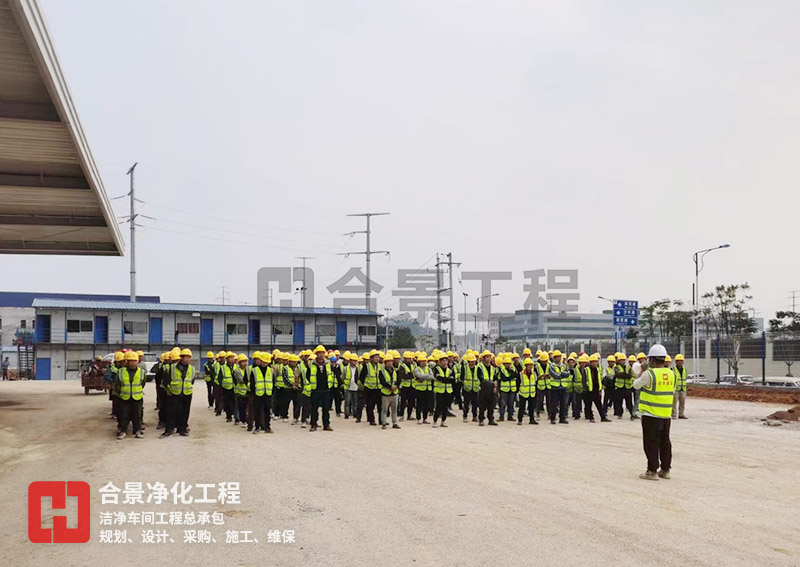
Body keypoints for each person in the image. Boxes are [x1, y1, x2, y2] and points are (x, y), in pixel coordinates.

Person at [634, 344, 676, 480]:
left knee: (651, 443)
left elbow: (635, 385)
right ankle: (665, 470)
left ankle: (652, 471)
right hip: (666, 415)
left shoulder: (649, 374)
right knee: (665, 442)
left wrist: (642, 370)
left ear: (651, 359)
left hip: (650, 414)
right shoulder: (672, 374)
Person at [161, 348, 194, 437]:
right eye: (185, 357)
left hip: (187, 393)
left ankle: (182, 429)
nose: (186, 359)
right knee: (171, 412)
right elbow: (166, 380)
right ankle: (169, 429)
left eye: (188, 357)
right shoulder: (172, 368)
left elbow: (192, 381)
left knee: (185, 412)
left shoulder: (192, 369)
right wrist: (170, 390)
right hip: (174, 394)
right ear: (181, 358)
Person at [115, 351, 144, 439]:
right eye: (131, 361)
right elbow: (117, 384)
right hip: (124, 397)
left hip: (137, 397)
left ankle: (137, 431)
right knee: (124, 415)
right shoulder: (121, 372)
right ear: (127, 362)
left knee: (137, 415)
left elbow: (143, 383)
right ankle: (123, 431)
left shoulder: (141, 372)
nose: (133, 363)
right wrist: (120, 393)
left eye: (134, 361)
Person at [305, 345, 334, 431]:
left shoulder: (328, 364)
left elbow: (331, 374)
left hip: (326, 389)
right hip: (315, 390)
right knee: (314, 408)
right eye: (319, 353)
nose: (321, 355)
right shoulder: (311, 364)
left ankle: (326, 425)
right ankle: (313, 424)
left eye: (322, 353)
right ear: (316, 354)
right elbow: (307, 375)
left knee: (326, 409)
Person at [249, 352, 274, 433]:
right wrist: (254, 393)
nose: (264, 363)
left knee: (267, 411)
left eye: (266, 362)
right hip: (258, 394)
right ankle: (257, 427)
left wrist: (272, 392)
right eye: (263, 361)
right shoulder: (255, 370)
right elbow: (252, 383)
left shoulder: (270, 370)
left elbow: (273, 382)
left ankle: (267, 427)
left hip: (268, 394)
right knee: (257, 411)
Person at [359, 350, 382, 426]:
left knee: (380, 405)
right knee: (370, 405)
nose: (377, 359)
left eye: (378, 357)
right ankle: (371, 420)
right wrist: (366, 384)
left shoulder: (380, 366)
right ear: (371, 358)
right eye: (375, 357)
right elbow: (362, 377)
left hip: (378, 388)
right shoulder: (367, 366)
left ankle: (381, 420)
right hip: (369, 389)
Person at [547, 350, 571, 424]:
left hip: (563, 387)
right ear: (554, 358)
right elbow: (554, 375)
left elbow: (568, 374)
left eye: (559, 357)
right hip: (555, 387)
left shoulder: (564, 365)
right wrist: (562, 374)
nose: (558, 358)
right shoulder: (551, 366)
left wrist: (561, 374)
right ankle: (553, 418)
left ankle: (562, 418)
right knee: (554, 404)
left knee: (563, 404)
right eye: (557, 357)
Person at [378, 353, 402, 429]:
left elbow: (399, 379)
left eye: (391, 361)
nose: (390, 363)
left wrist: (396, 386)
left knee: (394, 409)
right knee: (384, 410)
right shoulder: (381, 371)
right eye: (388, 361)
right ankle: (384, 423)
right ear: (385, 363)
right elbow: (382, 381)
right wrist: (390, 387)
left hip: (394, 393)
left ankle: (394, 423)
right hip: (386, 393)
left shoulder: (396, 370)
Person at [585, 354, 611, 422]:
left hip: (596, 389)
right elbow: (584, 380)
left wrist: (600, 389)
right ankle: (591, 417)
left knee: (599, 404)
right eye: (593, 362)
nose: (594, 363)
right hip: (589, 389)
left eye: (595, 361)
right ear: (590, 362)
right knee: (589, 405)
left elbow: (599, 380)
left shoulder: (598, 369)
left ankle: (603, 417)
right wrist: (586, 388)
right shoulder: (587, 369)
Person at [432, 353, 454, 428]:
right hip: (439, 390)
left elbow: (452, 380)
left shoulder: (449, 370)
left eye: (446, 361)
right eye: (443, 361)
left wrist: (445, 380)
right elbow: (438, 378)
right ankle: (435, 421)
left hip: (447, 390)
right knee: (438, 406)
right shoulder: (437, 369)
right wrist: (447, 380)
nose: (445, 362)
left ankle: (443, 421)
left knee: (445, 407)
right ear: (440, 362)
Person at [476, 351, 498, 426]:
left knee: (491, 405)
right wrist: (491, 383)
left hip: (491, 388)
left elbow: (495, 377)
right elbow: (480, 378)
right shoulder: (480, 367)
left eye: (489, 357)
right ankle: (481, 419)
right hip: (483, 388)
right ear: (483, 358)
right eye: (487, 357)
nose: (488, 359)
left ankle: (491, 419)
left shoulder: (492, 368)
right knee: (482, 405)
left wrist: (495, 385)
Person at [412, 353, 434, 424]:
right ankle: (419, 418)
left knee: (426, 405)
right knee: (419, 405)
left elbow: (432, 377)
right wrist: (427, 376)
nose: (424, 362)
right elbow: (418, 375)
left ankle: (425, 418)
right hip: (419, 389)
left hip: (427, 389)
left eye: (425, 361)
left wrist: (424, 377)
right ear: (419, 362)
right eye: (422, 361)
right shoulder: (417, 369)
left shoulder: (429, 369)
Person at [517, 358, 538, 425]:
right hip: (523, 393)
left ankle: (532, 419)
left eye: (531, 365)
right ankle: (520, 420)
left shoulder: (534, 374)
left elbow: (536, 383)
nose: (530, 366)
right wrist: (518, 391)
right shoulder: (521, 374)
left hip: (532, 393)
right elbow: (518, 383)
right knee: (522, 408)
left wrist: (536, 391)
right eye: (529, 365)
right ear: (525, 366)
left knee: (531, 407)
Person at [497, 355, 517, 422]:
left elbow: (516, 375)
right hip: (504, 389)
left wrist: (511, 371)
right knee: (503, 404)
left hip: (512, 389)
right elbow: (504, 378)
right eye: (506, 364)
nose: (507, 365)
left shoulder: (513, 369)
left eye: (508, 363)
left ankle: (510, 416)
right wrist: (511, 377)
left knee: (511, 404)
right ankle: (501, 416)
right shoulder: (501, 369)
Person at [461, 352, 480, 422]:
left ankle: (474, 416)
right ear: (468, 362)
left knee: (475, 403)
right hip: (467, 389)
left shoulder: (478, 368)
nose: (472, 363)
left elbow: (480, 377)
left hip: (475, 388)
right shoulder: (465, 368)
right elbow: (461, 378)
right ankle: (465, 416)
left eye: (474, 361)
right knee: (466, 403)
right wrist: (465, 384)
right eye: (471, 361)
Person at [397, 352, 416, 421]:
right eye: (408, 358)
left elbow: (415, 374)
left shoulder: (413, 365)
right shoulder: (402, 366)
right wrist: (411, 375)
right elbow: (404, 376)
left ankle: (409, 415)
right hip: (404, 386)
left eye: (410, 358)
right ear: (404, 359)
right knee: (403, 402)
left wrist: (410, 374)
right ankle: (401, 415)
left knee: (411, 402)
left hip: (412, 386)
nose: (409, 360)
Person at [343, 353, 360, 420]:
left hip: (356, 387)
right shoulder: (346, 368)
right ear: (350, 361)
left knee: (355, 402)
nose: (355, 362)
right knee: (347, 402)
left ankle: (355, 413)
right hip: (348, 387)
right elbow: (343, 377)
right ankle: (346, 414)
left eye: (356, 360)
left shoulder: (358, 368)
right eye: (353, 360)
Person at [672, 354, 688, 419]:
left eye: (681, 361)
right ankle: (674, 414)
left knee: (682, 403)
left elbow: (685, 377)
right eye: (678, 361)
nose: (680, 362)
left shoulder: (684, 369)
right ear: (676, 362)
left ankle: (681, 414)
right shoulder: (673, 369)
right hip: (676, 389)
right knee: (674, 403)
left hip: (683, 388)